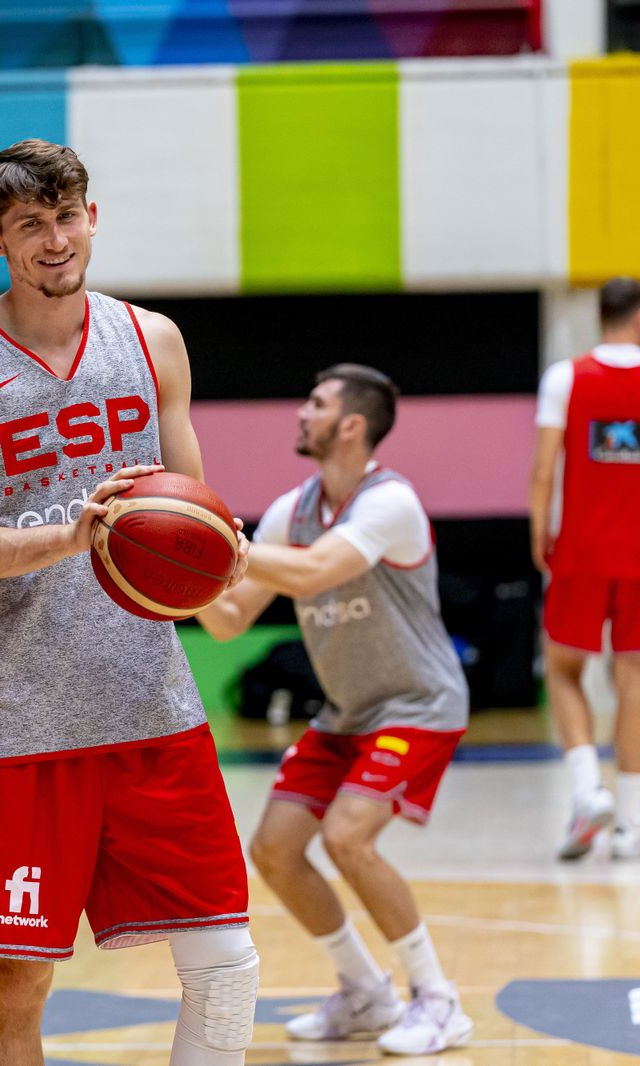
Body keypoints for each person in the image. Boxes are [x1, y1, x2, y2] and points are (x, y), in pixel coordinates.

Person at [0, 139, 257, 1066]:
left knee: (225, 960)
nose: (54, 240)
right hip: (17, 721)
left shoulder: (153, 341)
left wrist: (225, 557)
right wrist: (70, 537)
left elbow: (196, 517)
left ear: (91, 218)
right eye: (30, 226)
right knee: (15, 985)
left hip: (149, 702)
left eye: (67, 218)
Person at [197, 364, 472, 1055]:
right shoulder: (295, 509)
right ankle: (366, 991)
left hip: (417, 704)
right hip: (347, 711)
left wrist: (229, 548)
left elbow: (316, 571)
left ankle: (438, 999)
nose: (300, 413)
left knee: (349, 836)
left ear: (352, 425)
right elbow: (229, 620)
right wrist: (174, 574)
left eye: (315, 404)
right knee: (276, 850)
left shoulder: (389, 503)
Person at [529, 276, 640, 860]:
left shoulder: (566, 377)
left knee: (562, 669)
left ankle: (588, 790)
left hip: (580, 550)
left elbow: (544, 468)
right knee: (635, 680)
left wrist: (540, 530)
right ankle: (631, 825)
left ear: (599, 317)